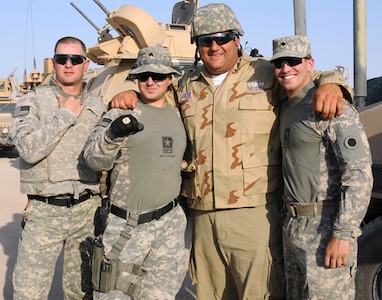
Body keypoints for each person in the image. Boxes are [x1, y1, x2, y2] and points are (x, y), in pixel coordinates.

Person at [110, 4, 352, 299]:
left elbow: (305, 78)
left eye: (222, 38)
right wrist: (131, 93)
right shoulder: (187, 84)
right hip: (202, 216)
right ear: (197, 46)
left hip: (253, 214)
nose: (214, 47)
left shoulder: (264, 73)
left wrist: (332, 84)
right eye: (205, 41)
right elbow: (156, 99)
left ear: (237, 39)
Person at [271, 35, 372, 299]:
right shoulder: (283, 107)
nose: (285, 69)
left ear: (309, 64)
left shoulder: (330, 105)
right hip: (292, 227)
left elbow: (359, 173)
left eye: (293, 61)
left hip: (324, 227)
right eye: (279, 63)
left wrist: (343, 234)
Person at [83, 46, 188, 299]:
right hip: (127, 228)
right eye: (143, 76)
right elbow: (93, 159)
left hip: (169, 225)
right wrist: (112, 135)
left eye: (158, 76)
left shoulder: (180, 114)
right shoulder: (120, 113)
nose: (150, 81)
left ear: (170, 79)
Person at [10, 36, 105, 300]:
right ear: (54, 63)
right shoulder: (34, 101)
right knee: (29, 293)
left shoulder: (98, 105)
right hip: (44, 213)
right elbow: (27, 149)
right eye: (62, 59)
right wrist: (65, 116)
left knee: (82, 292)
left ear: (85, 64)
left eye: (75, 59)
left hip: (87, 211)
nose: (68, 64)